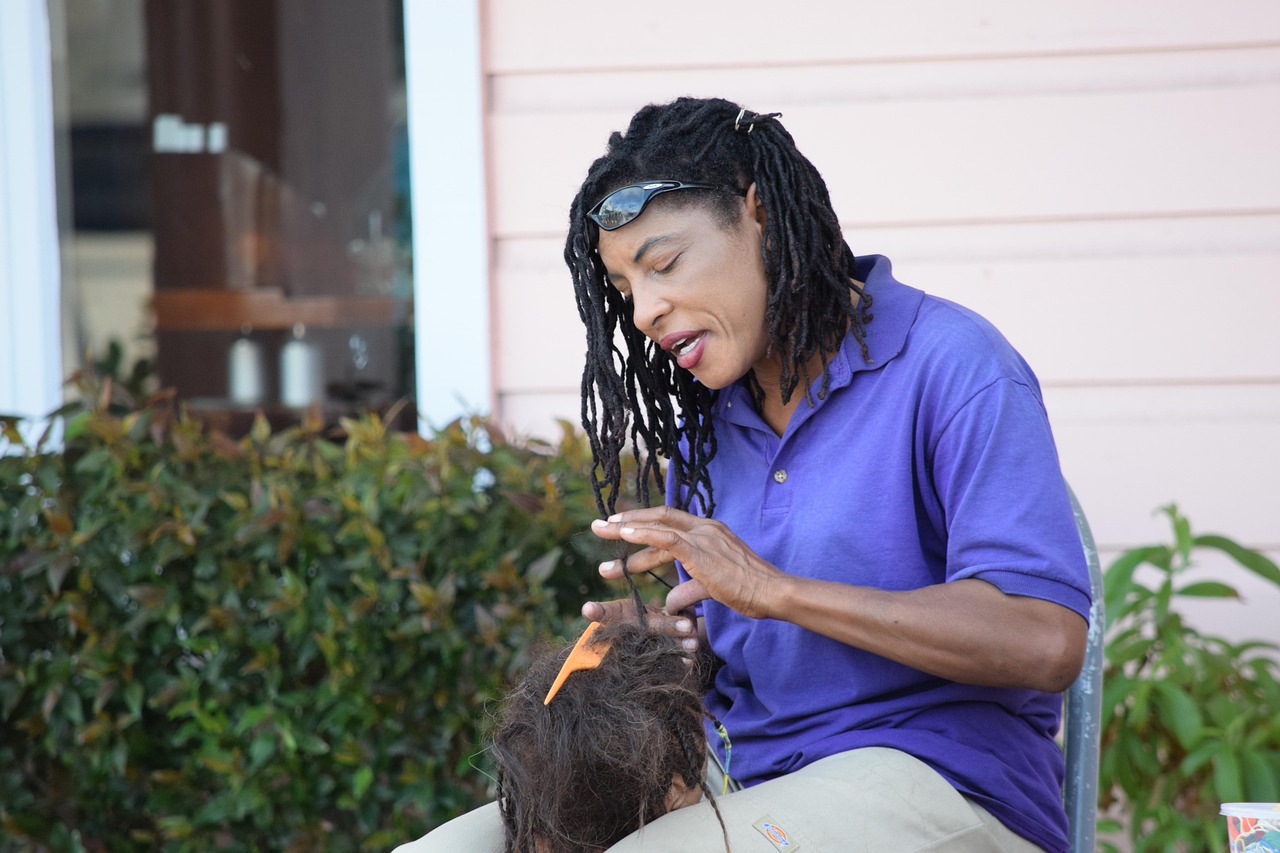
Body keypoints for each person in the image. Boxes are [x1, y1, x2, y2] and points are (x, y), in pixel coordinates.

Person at [396, 96, 1090, 853]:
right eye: (627, 292)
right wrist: (664, 648)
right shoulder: (710, 424)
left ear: (757, 212)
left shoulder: (953, 365)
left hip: (947, 782)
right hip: (752, 780)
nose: (646, 315)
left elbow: (1045, 639)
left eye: (664, 264)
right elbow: (728, 654)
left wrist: (773, 590)